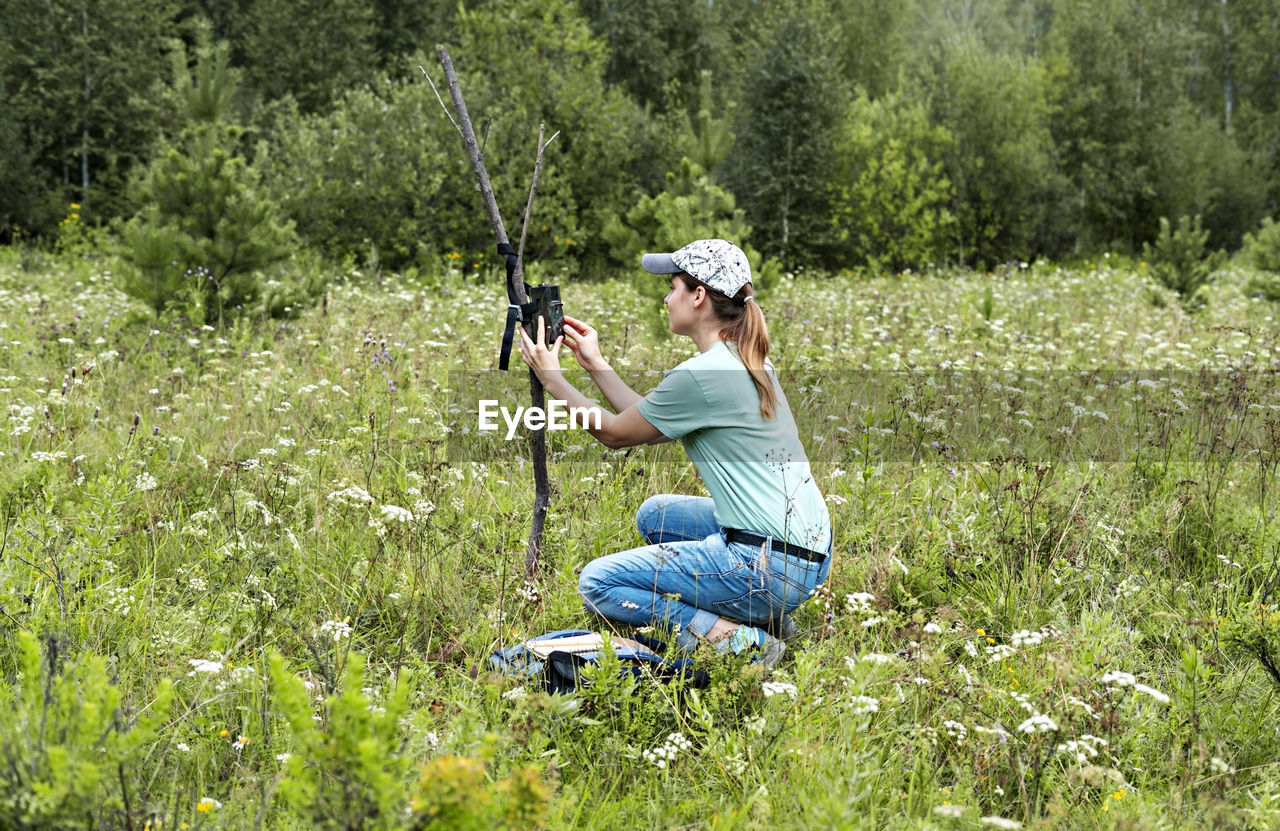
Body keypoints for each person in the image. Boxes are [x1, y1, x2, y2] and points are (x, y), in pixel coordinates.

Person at [518, 239, 831, 667]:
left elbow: (613, 433)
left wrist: (552, 379)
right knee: (656, 515)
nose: (666, 299)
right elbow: (642, 420)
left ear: (698, 296)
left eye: (672, 287)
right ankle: (770, 617)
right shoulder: (746, 359)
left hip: (764, 566)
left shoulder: (702, 376)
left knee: (599, 583)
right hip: (808, 557)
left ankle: (742, 642)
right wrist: (594, 365)